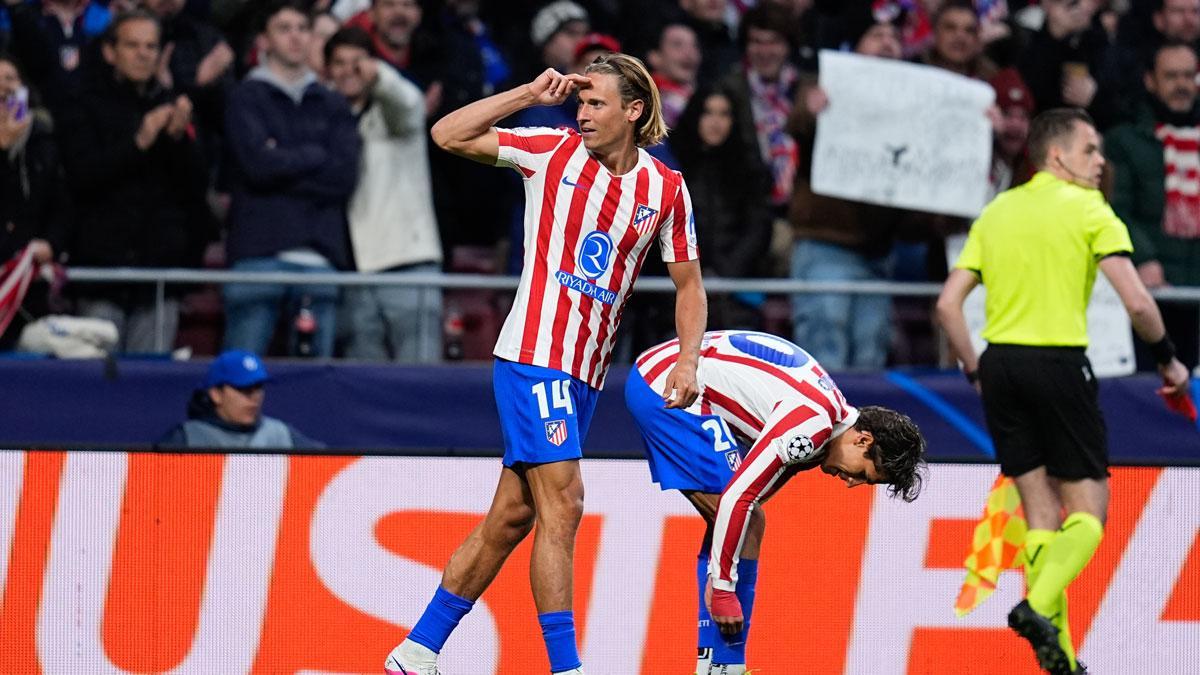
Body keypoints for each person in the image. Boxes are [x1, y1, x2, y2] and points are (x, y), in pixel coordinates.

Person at [385, 52, 707, 675]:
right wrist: (528, 96)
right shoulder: (550, 151)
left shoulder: (665, 188)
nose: (582, 113)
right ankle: (566, 668)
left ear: (633, 111)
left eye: (596, 103)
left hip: (586, 373)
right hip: (535, 355)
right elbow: (447, 133)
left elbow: (689, 285)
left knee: (512, 517)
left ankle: (416, 651)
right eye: (580, 102)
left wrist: (688, 361)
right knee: (566, 503)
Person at [936, 108, 1191, 675]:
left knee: (1041, 515)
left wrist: (976, 371)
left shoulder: (998, 211)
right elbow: (1138, 301)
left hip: (1000, 366)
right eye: (1090, 149)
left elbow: (948, 305)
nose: (1100, 161)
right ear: (1057, 155)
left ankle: (1063, 661)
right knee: (1090, 512)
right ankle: (1036, 605)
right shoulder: (1089, 208)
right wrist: (1169, 359)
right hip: (1058, 365)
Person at [626, 329, 926, 675]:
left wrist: (719, 570)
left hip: (672, 378)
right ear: (863, 440)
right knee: (748, 520)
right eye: (864, 474)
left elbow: (744, 501)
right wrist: (722, 587)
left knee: (739, 521)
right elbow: (739, 497)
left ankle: (711, 662)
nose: (852, 483)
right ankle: (727, 666)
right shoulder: (810, 430)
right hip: (668, 386)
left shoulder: (826, 425)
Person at [57, 10, 211, 353]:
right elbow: (82, 176)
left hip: (159, 273)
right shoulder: (82, 103)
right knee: (98, 375)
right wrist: (138, 142)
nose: (143, 54)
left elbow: (197, 187)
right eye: (132, 45)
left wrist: (179, 142)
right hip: (101, 271)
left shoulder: (174, 105)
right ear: (110, 52)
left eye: (151, 46)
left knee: (149, 378)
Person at [222, 0, 361, 357]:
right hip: (257, 256)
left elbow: (343, 177)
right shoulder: (244, 98)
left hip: (320, 258)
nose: (296, 37)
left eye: (302, 28)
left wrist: (279, 158)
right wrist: (315, 155)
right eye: (284, 29)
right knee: (240, 373)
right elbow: (256, 167)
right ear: (264, 40)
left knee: (315, 381)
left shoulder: (333, 103)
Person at [325, 27, 442, 362]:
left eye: (358, 62)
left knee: (420, 376)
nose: (349, 71)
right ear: (327, 70)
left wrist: (380, 76)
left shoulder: (394, 114)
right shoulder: (325, 119)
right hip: (353, 272)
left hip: (407, 262)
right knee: (364, 381)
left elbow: (410, 103)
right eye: (340, 63)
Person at [1105, 41, 1200, 370]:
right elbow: (1115, 209)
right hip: (1149, 289)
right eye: (1171, 76)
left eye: (1188, 75)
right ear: (1150, 81)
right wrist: (1143, 258)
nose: (1182, 85)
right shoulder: (1124, 140)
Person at [0, 53, 69, 351]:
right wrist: (1, 150)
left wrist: (51, 243)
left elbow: (62, 206)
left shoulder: (42, 141)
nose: (4, 88)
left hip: (30, 285)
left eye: (10, 79)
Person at [157, 349, 323, 448]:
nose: (254, 398)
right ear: (216, 394)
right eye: (244, 389)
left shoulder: (280, 434)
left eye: (258, 388)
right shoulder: (188, 438)